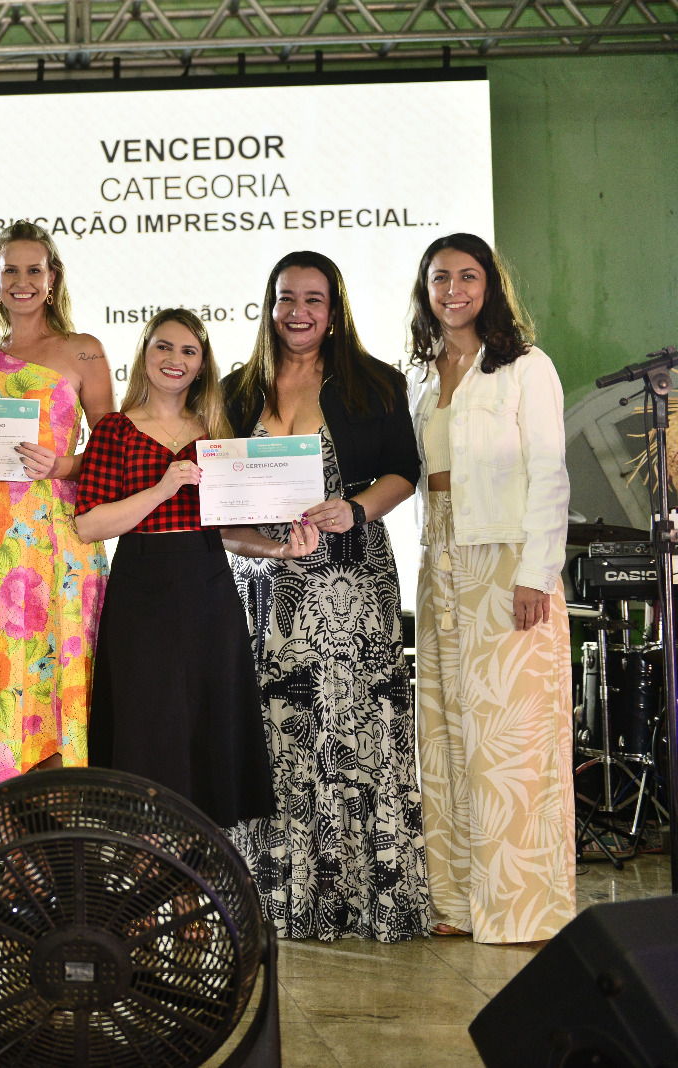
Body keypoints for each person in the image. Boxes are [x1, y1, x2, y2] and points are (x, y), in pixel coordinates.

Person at [222, 251, 429, 942]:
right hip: (268, 587)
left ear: (333, 308)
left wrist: (359, 509)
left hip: (352, 580)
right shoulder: (238, 387)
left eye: (312, 299)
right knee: (282, 733)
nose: (298, 312)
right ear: (270, 304)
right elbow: (220, 485)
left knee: (356, 733)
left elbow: (406, 470)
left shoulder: (374, 383)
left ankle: (372, 900)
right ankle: (287, 898)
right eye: (286, 298)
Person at [75, 309, 311, 827]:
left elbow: (224, 531)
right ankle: (142, 877)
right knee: (146, 727)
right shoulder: (114, 430)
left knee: (208, 728)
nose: (174, 360)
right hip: (141, 586)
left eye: (188, 351)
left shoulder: (217, 434)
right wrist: (162, 488)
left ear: (203, 365)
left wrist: (280, 551)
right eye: (163, 347)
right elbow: (90, 525)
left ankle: (196, 885)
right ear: (144, 355)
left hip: (207, 587)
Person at [408, 233, 574, 944]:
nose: (453, 290)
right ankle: (460, 900)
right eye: (440, 278)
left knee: (513, 740)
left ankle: (523, 908)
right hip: (439, 555)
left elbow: (551, 473)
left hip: (506, 560)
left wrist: (537, 573)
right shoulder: (421, 375)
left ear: (490, 286)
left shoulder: (524, 367)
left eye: (467, 276)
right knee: (447, 733)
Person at [0, 221, 113, 784]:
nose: (22, 280)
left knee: (58, 685)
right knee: (2, 685)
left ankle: (67, 838)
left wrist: (64, 465)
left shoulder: (84, 352)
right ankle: (20, 846)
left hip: (58, 538)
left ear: (52, 279)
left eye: (34, 269)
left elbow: (113, 452)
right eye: (10, 269)